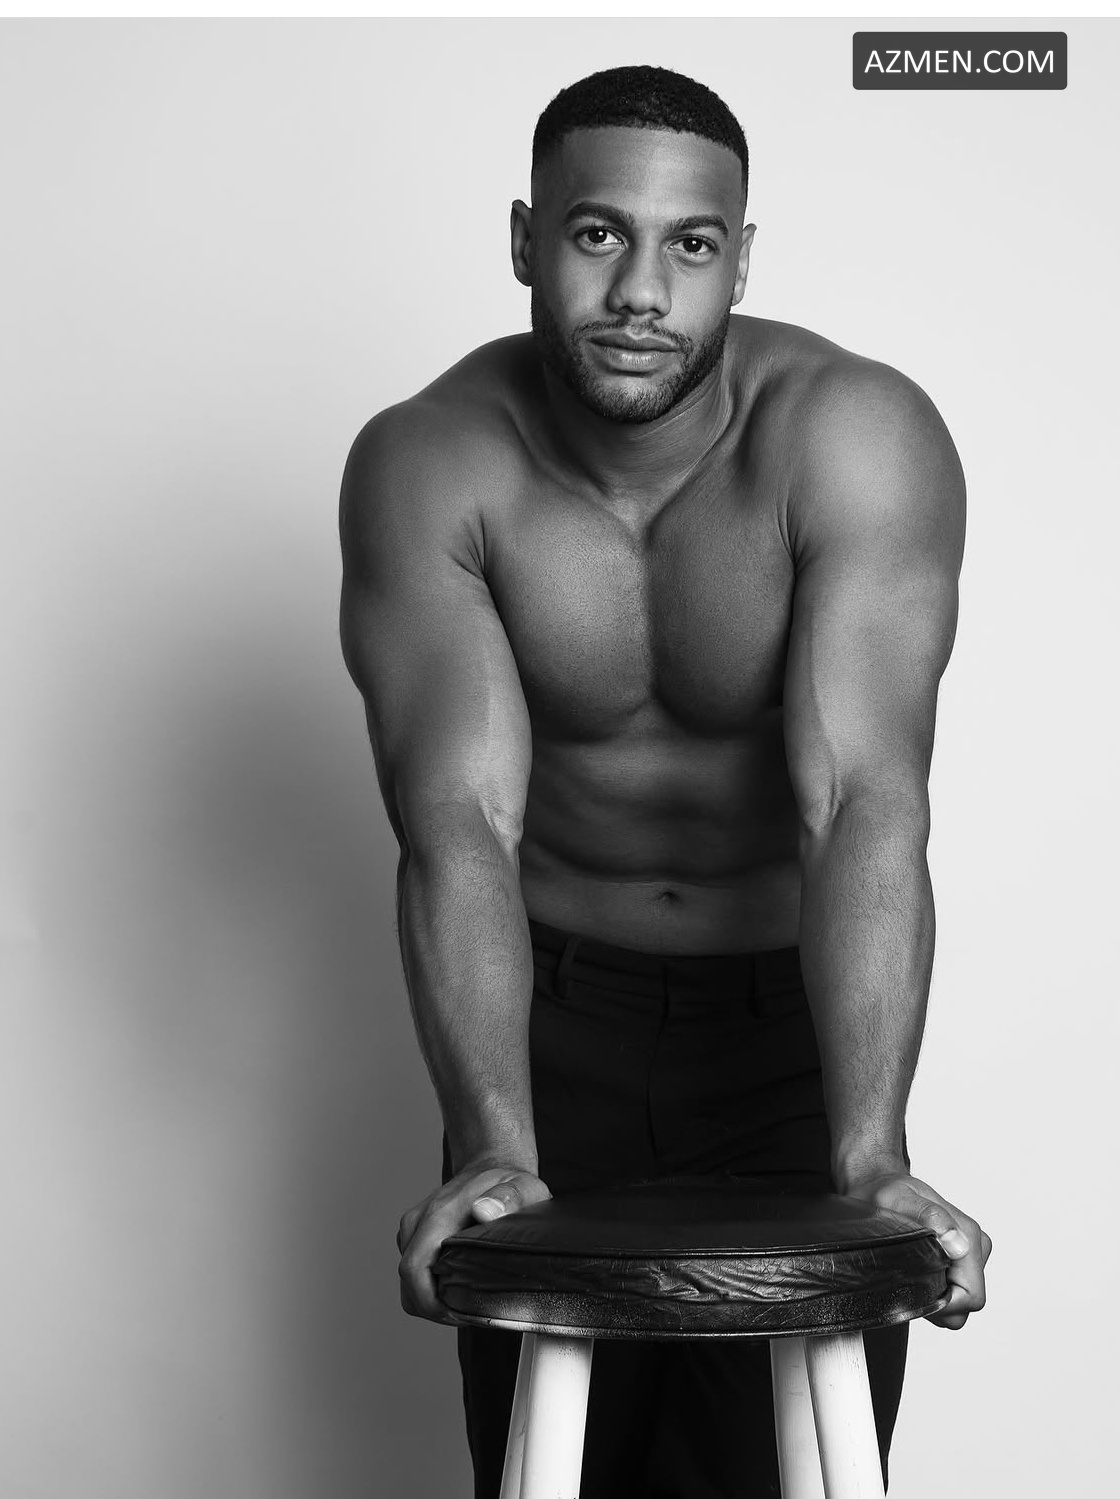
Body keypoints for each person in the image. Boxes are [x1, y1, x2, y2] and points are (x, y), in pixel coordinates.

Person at [339, 64, 991, 1499]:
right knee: (554, 1462)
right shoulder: (432, 463)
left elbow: (861, 802)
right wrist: (495, 1143)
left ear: (739, 262)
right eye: (597, 234)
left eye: (690, 245)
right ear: (527, 240)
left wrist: (871, 1154)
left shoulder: (853, 438)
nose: (642, 290)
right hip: (545, 1033)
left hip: (791, 1040)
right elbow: (459, 822)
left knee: (775, 1468)